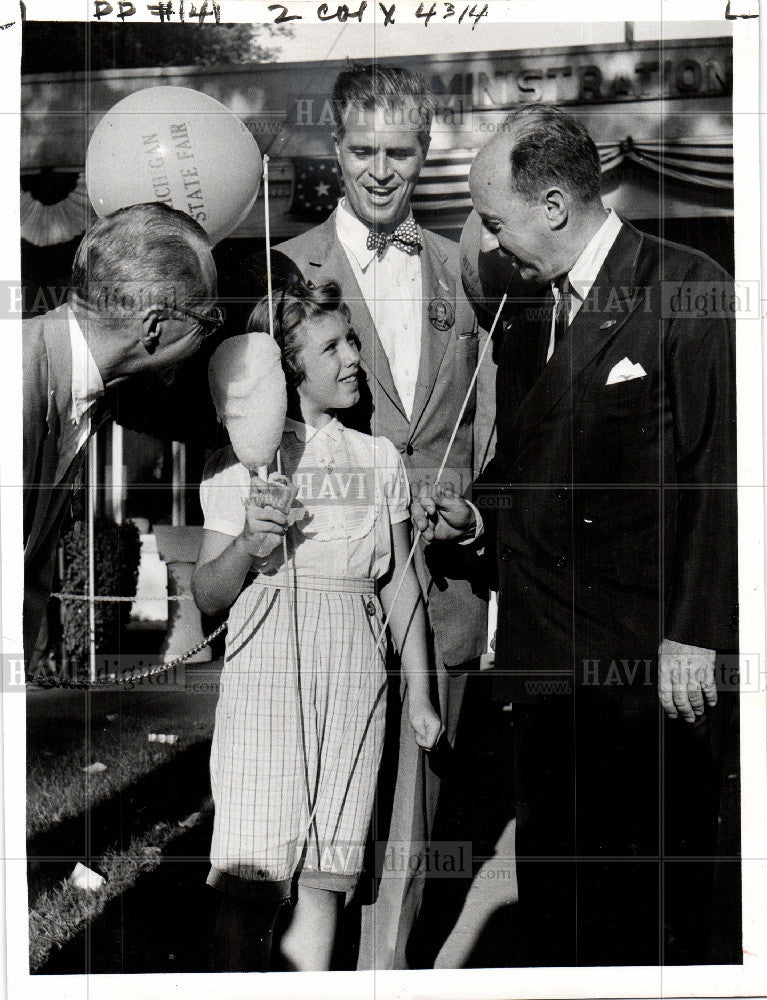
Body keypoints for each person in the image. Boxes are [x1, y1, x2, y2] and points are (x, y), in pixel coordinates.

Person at [413, 105, 738, 966]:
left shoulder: (683, 286)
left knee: (644, 905)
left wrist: (697, 636)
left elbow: (720, 475)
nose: (487, 241)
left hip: (648, 673)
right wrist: (475, 515)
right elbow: (529, 470)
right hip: (543, 667)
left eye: (493, 221)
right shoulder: (527, 315)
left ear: (553, 205)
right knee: (558, 898)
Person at [277, 63, 495, 971]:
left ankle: (387, 975)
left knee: (413, 814)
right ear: (336, 150)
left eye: (398, 153)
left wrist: (468, 505)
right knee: (313, 807)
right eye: (362, 150)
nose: (378, 170)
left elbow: (485, 411)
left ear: (423, 155)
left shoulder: (459, 267)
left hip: (437, 594)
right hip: (325, 586)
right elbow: (264, 423)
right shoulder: (286, 267)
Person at [191, 279, 442, 973]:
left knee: (327, 870)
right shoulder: (240, 463)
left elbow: (398, 584)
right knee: (254, 870)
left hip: (357, 667)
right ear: (288, 371)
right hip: (268, 670)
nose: (353, 358)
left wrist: (418, 693)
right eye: (331, 347)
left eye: (352, 340)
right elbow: (209, 596)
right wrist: (247, 543)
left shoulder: (378, 459)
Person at [23, 202, 219, 666]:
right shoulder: (16, 379)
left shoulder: (87, 389)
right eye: (206, 323)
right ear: (154, 325)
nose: (206, 343)